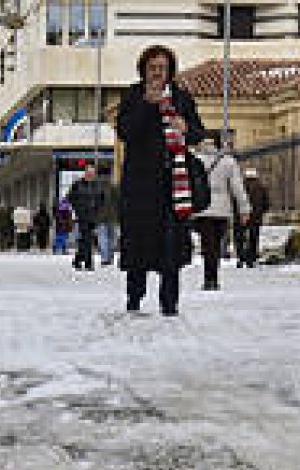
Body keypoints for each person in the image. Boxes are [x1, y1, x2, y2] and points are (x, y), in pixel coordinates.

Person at [115, 45, 205, 316]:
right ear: (143, 70)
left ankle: (170, 302)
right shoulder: (133, 95)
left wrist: (186, 128)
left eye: (162, 68)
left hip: (173, 184)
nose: (157, 73)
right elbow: (125, 131)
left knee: (171, 246)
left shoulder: (181, 98)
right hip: (140, 187)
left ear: (170, 71)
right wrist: (146, 105)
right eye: (152, 67)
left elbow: (198, 133)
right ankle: (134, 298)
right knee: (139, 245)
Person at [191, 131, 250, 290]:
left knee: (207, 245)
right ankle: (214, 278)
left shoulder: (195, 160)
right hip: (222, 209)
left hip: (202, 208)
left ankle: (208, 279)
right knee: (216, 245)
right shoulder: (228, 161)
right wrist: (244, 209)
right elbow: (237, 187)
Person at [67, 167, 101, 271]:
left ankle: (78, 260)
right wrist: (77, 208)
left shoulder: (96, 185)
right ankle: (88, 262)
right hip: (82, 216)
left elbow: (100, 198)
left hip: (92, 216)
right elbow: (70, 197)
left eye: (92, 173)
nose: (91, 175)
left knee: (86, 239)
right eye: (89, 173)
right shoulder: (77, 184)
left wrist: (97, 209)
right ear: (85, 173)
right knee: (87, 238)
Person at [238, 167, 270, 267]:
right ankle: (251, 259)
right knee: (254, 238)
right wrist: (261, 212)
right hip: (256, 217)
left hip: (241, 216)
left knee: (240, 237)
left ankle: (241, 257)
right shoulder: (261, 187)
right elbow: (266, 203)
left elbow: (234, 201)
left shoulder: (240, 187)